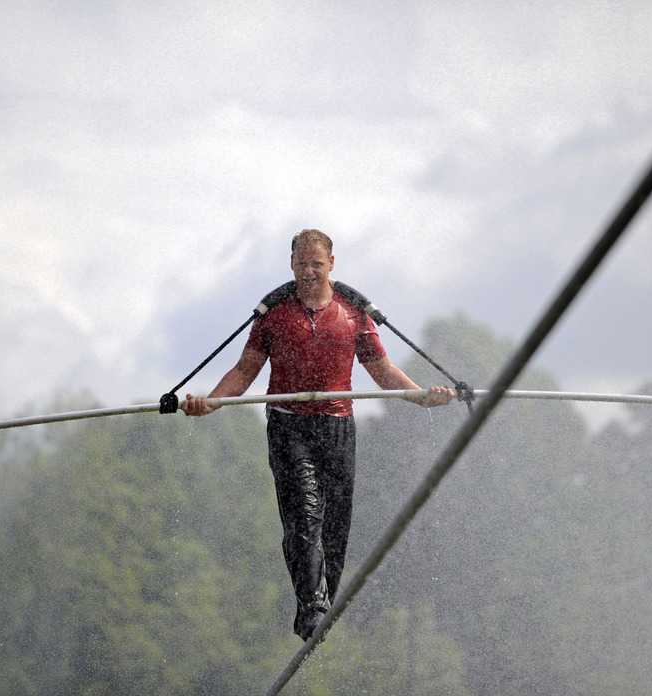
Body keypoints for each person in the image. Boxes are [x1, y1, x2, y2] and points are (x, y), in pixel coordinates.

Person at [182, 229, 454, 640]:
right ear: (291, 265)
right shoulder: (274, 315)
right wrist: (210, 403)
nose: (308, 272)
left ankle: (321, 603)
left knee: (334, 527)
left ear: (331, 264)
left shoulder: (352, 315)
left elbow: (382, 372)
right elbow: (243, 372)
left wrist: (422, 397)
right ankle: (312, 608)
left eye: (316, 264)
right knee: (304, 517)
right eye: (300, 264)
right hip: (289, 425)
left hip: (338, 427)